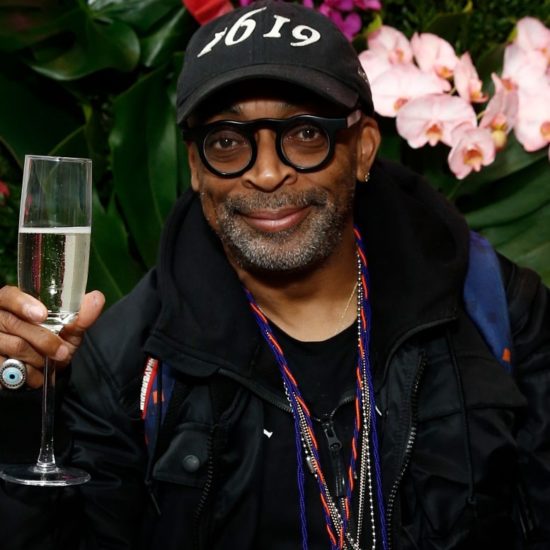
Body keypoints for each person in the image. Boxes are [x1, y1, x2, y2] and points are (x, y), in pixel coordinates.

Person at [0, 2, 549, 549]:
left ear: (363, 149)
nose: (266, 173)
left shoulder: (497, 311)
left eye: (305, 133)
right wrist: (20, 414)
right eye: (227, 141)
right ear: (195, 167)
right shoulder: (127, 363)